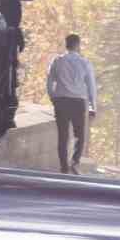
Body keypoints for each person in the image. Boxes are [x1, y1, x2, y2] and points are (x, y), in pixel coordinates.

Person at [46, 33, 97, 175]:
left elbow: (50, 81)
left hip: (61, 101)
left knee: (63, 135)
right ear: (78, 45)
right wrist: (93, 107)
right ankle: (75, 162)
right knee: (79, 134)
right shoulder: (84, 63)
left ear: (66, 44)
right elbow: (91, 86)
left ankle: (63, 166)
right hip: (78, 102)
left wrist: (53, 97)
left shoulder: (57, 61)